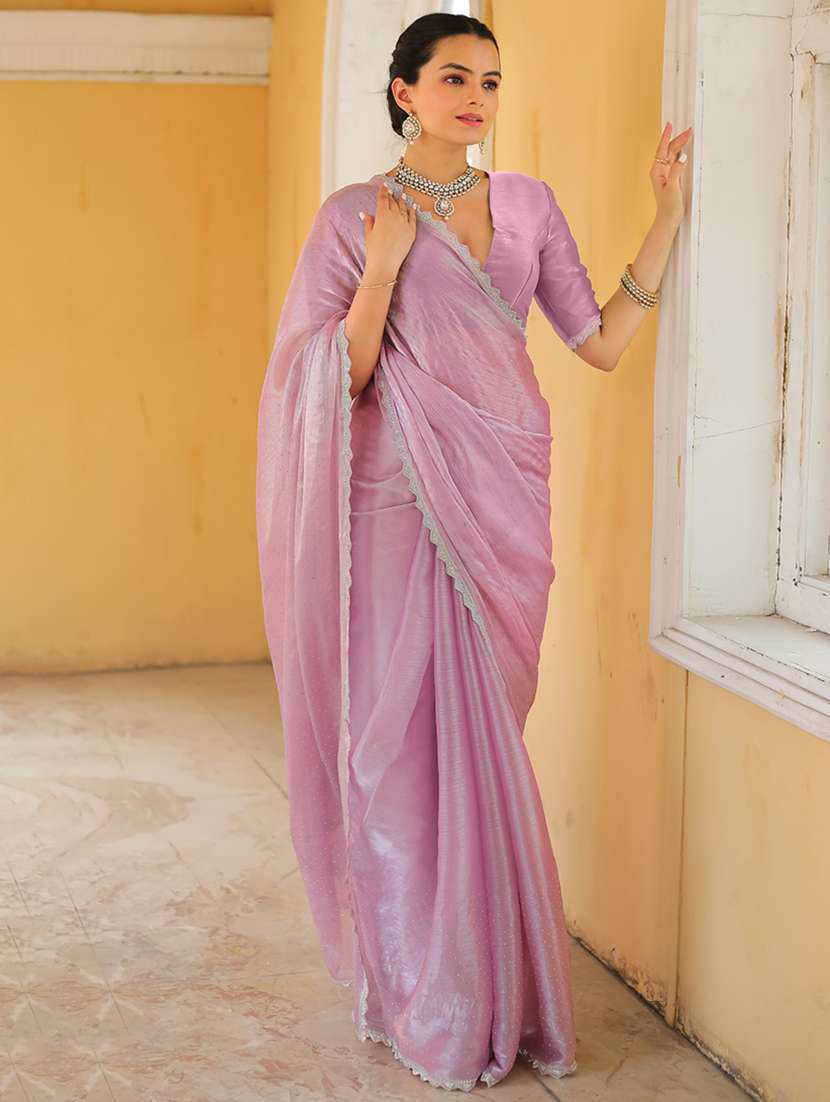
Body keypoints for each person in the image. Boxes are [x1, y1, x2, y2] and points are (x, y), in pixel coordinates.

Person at [255, 11, 690, 1092]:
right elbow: (327, 378)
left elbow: (597, 342)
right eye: (453, 78)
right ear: (404, 91)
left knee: (485, 737)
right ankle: (427, 991)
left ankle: (495, 987)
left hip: (503, 494)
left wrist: (665, 220)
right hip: (395, 503)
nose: (476, 99)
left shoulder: (528, 204)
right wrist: (379, 271)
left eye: (490, 81)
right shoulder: (355, 216)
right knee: (399, 744)